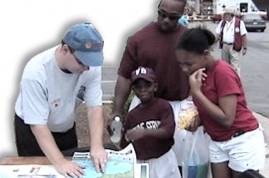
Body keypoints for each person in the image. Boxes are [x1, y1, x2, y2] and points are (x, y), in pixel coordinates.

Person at [14, 22, 107, 177]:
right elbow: (38, 125)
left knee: (72, 171)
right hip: (33, 130)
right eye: (82, 62)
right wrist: (59, 161)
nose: (87, 68)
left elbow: (94, 107)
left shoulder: (90, 67)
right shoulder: (35, 72)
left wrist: (96, 146)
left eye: (91, 63)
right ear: (65, 50)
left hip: (65, 125)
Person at [175, 27, 265, 178]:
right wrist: (199, 121)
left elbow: (227, 119)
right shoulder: (198, 74)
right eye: (180, 64)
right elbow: (208, 109)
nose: (184, 69)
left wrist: (196, 92)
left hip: (241, 139)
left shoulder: (223, 72)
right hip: (217, 141)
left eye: (189, 64)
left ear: (205, 54)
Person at [111, 0, 189, 169]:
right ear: (157, 10)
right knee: (140, 154)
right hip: (144, 105)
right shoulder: (138, 39)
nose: (166, 20)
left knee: (180, 159)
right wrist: (117, 111)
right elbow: (124, 77)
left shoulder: (189, 39)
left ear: (183, 14)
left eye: (173, 17)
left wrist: (198, 109)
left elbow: (200, 74)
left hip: (180, 106)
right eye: (162, 14)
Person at [120, 66, 181, 178]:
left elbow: (168, 131)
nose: (143, 89)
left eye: (147, 85)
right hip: (143, 162)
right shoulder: (132, 115)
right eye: (138, 87)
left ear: (155, 87)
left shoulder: (163, 106)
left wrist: (145, 132)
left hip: (164, 159)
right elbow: (125, 144)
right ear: (133, 90)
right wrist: (119, 133)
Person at [215, 7, 248, 75]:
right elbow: (218, 35)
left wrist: (245, 48)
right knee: (224, 65)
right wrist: (212, 44)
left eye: (226, 14)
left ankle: (236, 82)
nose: (224, 16)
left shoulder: (239, 22)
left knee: (235, 66)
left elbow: (243, 36)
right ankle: (227, 80)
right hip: (224, 46)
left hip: (234, 46)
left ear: (231, 15)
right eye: (224, 14)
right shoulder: (222, 23)